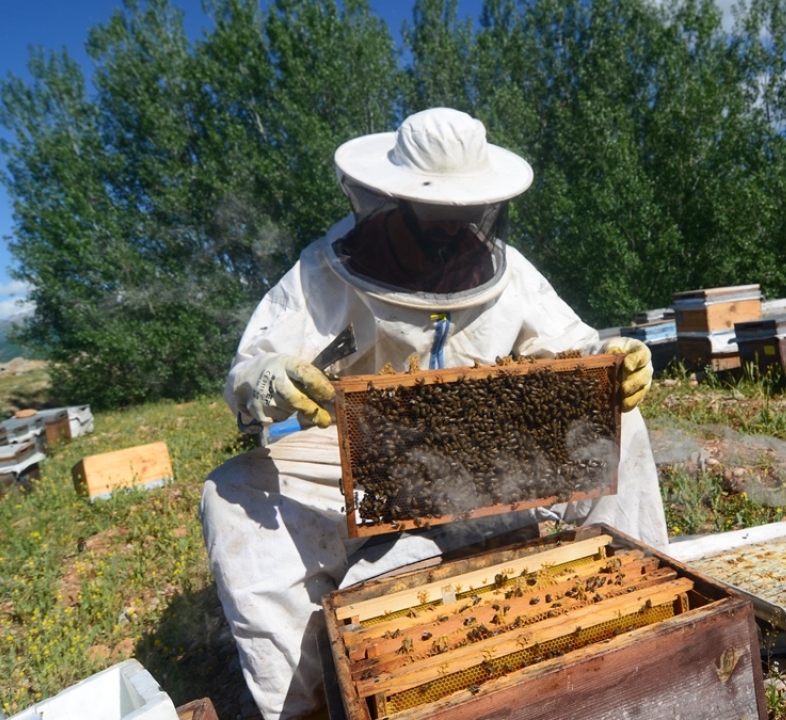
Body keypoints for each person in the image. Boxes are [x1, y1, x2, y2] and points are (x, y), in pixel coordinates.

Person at [199, 108, 668, 720]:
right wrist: (269, 379)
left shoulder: (509, 270)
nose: (453, 234)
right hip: (364, 456)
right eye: (436, 219)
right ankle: (303, 704)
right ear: (389, 202)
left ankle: (645, 610)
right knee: (233, 491)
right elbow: (252, 366)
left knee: (618, 423)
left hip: (491, 458)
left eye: (465, 217)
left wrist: (611, 358)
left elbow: (573, 343)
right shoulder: (323, 270)